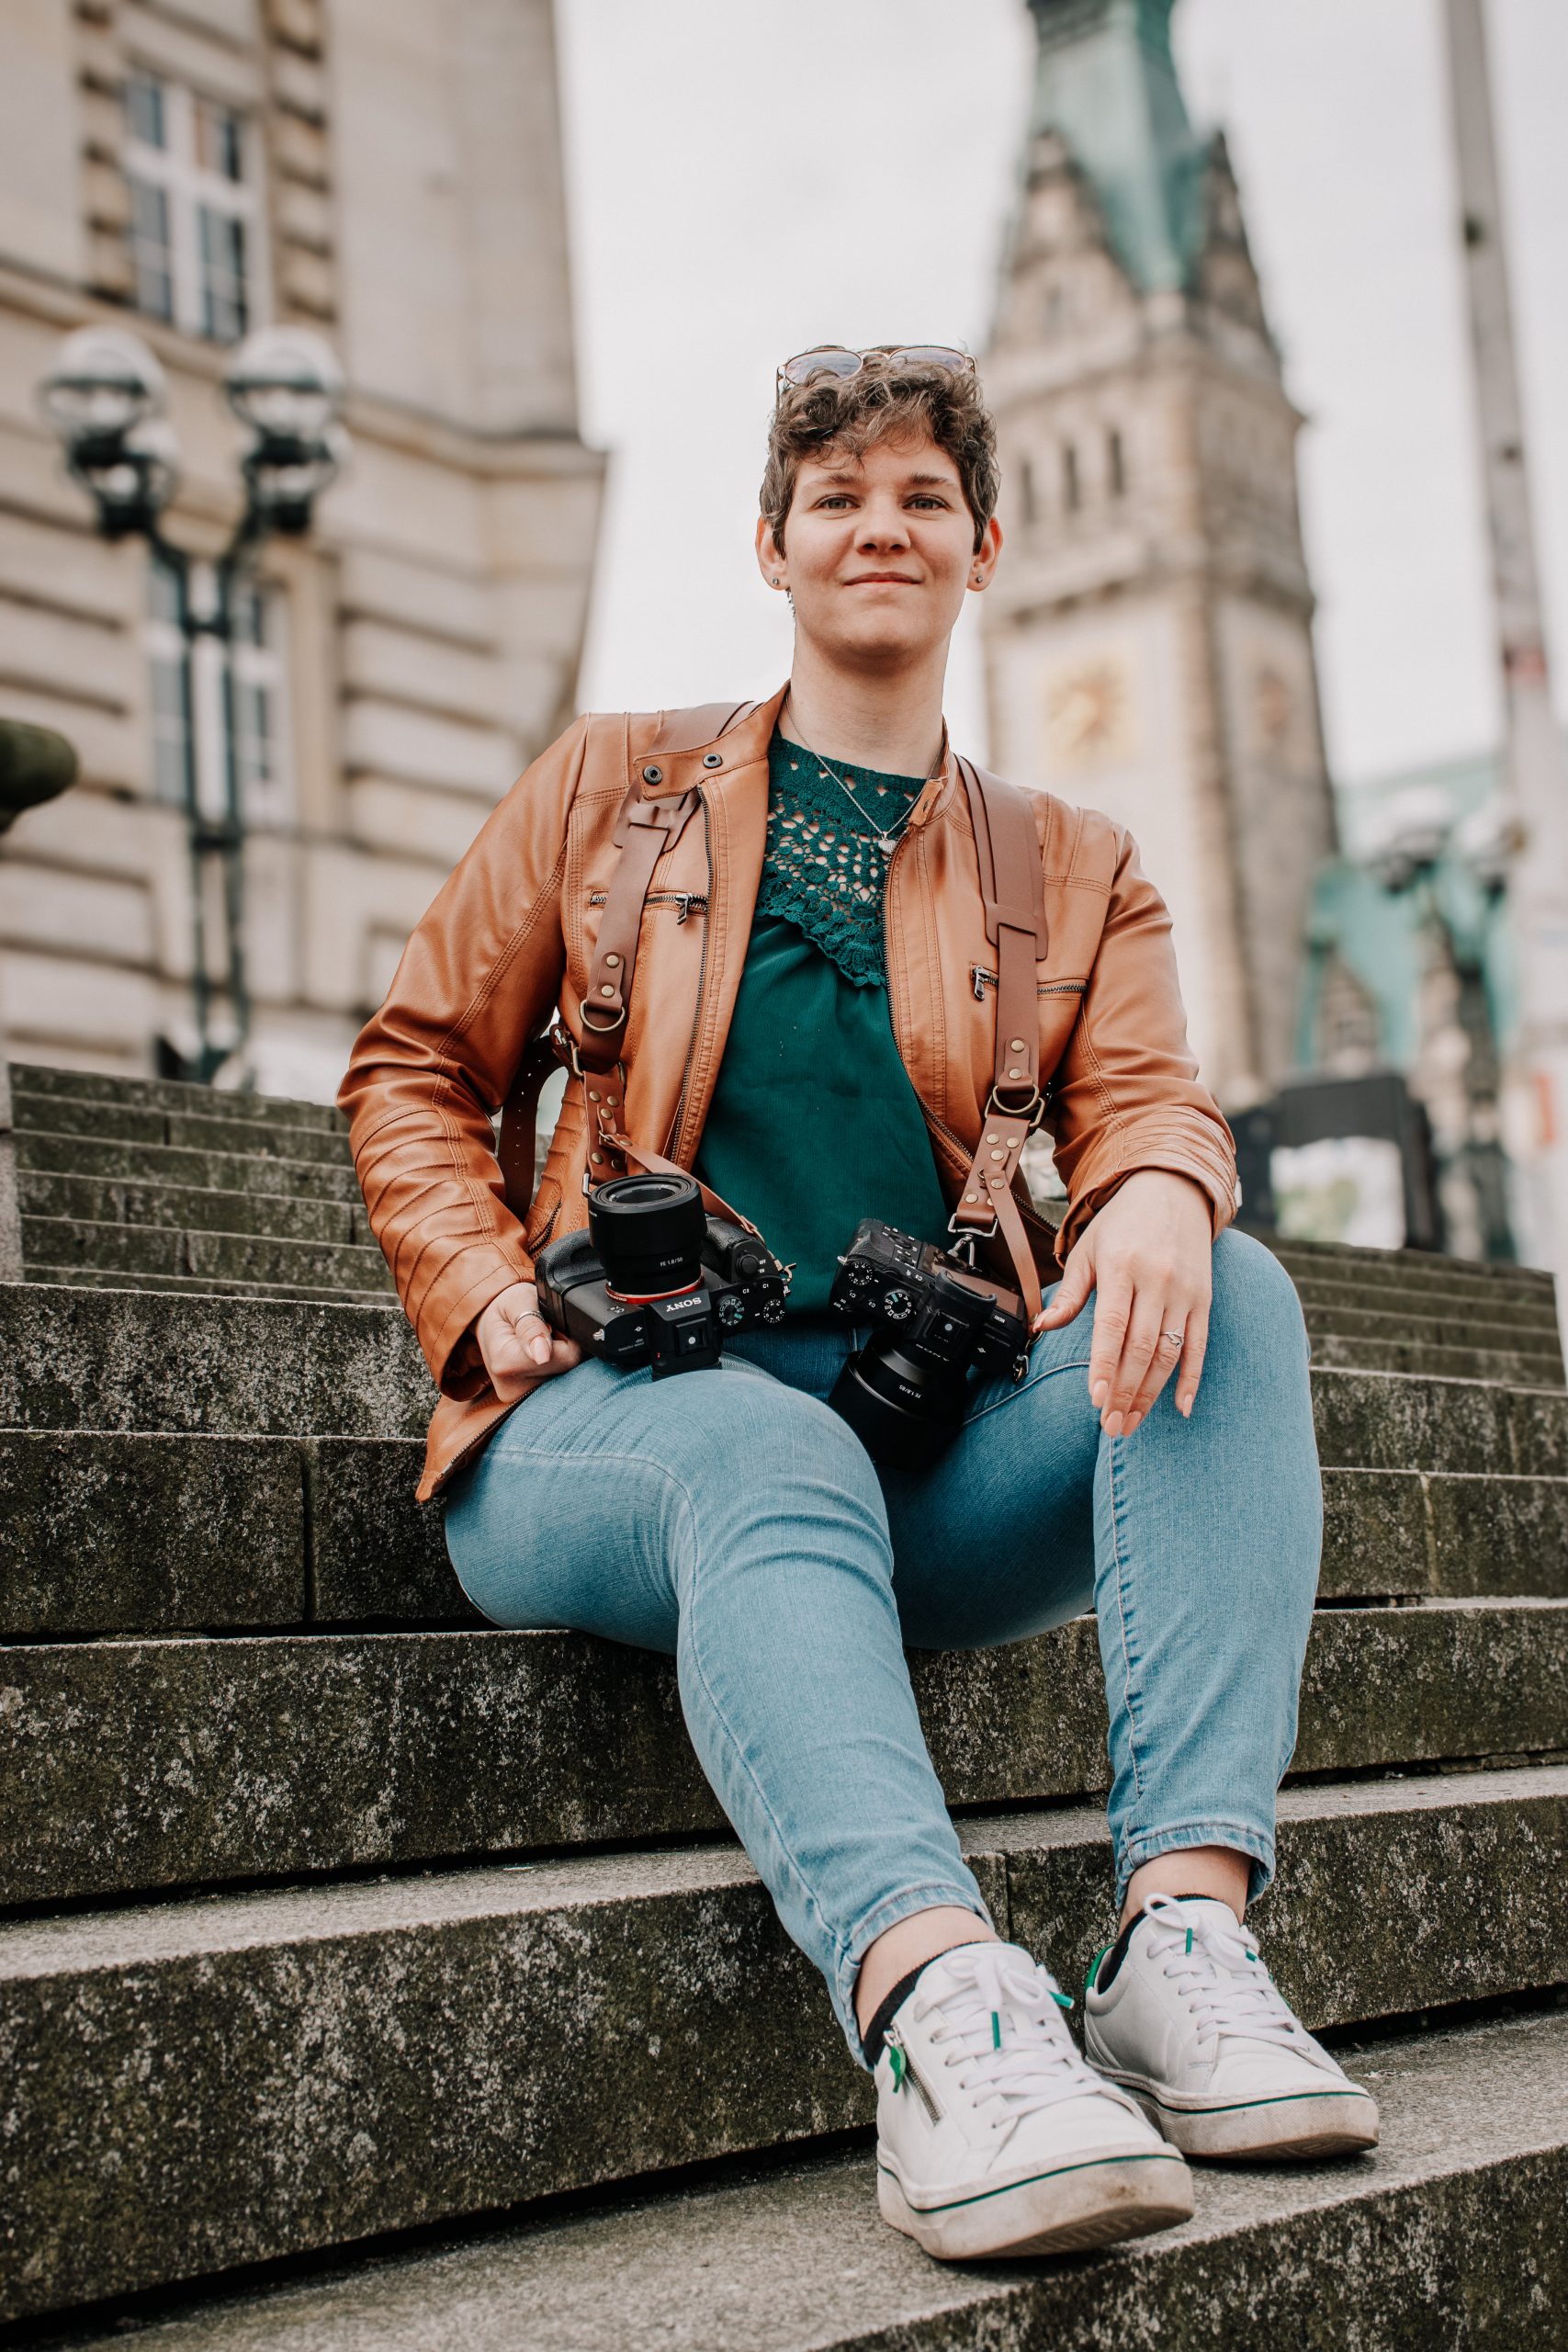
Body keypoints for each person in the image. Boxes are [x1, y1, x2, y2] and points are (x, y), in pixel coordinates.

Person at [340, 345, 1378, 2266]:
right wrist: (480, 1287)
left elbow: (1148, 1094)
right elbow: (408, 1066)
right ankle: (941, 2015)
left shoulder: (1071, 869)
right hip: (598, 1430)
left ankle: (1179, 1933)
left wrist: (1155, 1181)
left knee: (1222, 1289)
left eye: (918, 499)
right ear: (770, 544)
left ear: (984, 545)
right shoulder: (606, 785)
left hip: (910, 1460)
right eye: (835, 497)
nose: (876, 528)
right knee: (755, 1445)